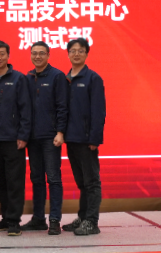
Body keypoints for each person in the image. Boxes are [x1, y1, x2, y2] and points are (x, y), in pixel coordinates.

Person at [0, 40, 31, 237]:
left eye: (2, 54)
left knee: (14, 181)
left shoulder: (19, 78)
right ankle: (6, 216)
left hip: (13, 139)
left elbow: (26, 109)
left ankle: (14, 221)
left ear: (8, 56)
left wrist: (23, 135)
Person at [22, 41, 68, 235]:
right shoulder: (28, 77)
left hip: (51, 137)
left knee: (54, 178)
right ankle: (38, 219)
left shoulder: (57, 76)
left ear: (48, 55)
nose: (37, 56)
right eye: (34, 53)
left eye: (41, 53)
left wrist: (60, 132)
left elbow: (62, 106)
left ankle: (55, 220)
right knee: (36, 179)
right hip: (32, 138)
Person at [62, 38, 106, 236]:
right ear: (68, 54)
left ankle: (92, 221)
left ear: (87, 54)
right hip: (71, 138)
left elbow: (98, 111)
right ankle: (83, 216)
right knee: (81, 182)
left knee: (91, 182)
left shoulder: (93, 78)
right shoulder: (65, 79)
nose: (76, 54)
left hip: (87, 140)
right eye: (73, 51)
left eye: (80, 50)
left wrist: (94, 139)